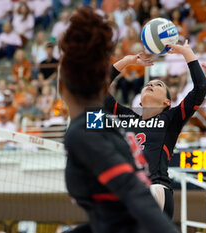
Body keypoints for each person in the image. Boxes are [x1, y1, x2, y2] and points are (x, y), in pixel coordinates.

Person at [59, 6, 179, 233]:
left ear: (63, 86)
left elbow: (131, 192)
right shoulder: (97, 123)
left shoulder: (82, 132)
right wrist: (124, 62)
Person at [105, 39, 206, 218]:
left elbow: (201, 88)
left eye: (158, 85)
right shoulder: (128, 118)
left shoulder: (171, 118)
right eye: (148, 84)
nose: (151, 84)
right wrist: (125, 62)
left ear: (167, 102)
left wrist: (187, 54)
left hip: (156, 190)